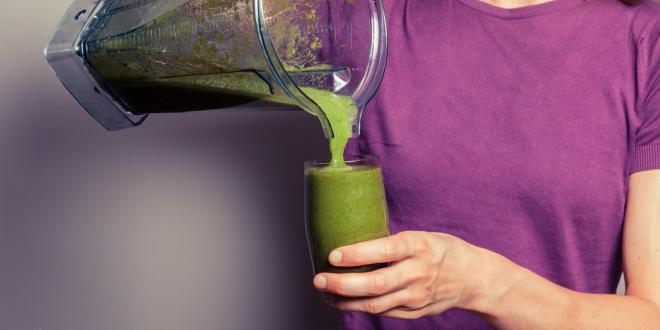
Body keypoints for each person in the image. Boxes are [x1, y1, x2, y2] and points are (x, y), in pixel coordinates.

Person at [311, 0, 660, 328]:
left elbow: (652, 316)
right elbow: (259, 43)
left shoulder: (644, 38)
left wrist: (483, 285)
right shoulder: (363, 15)